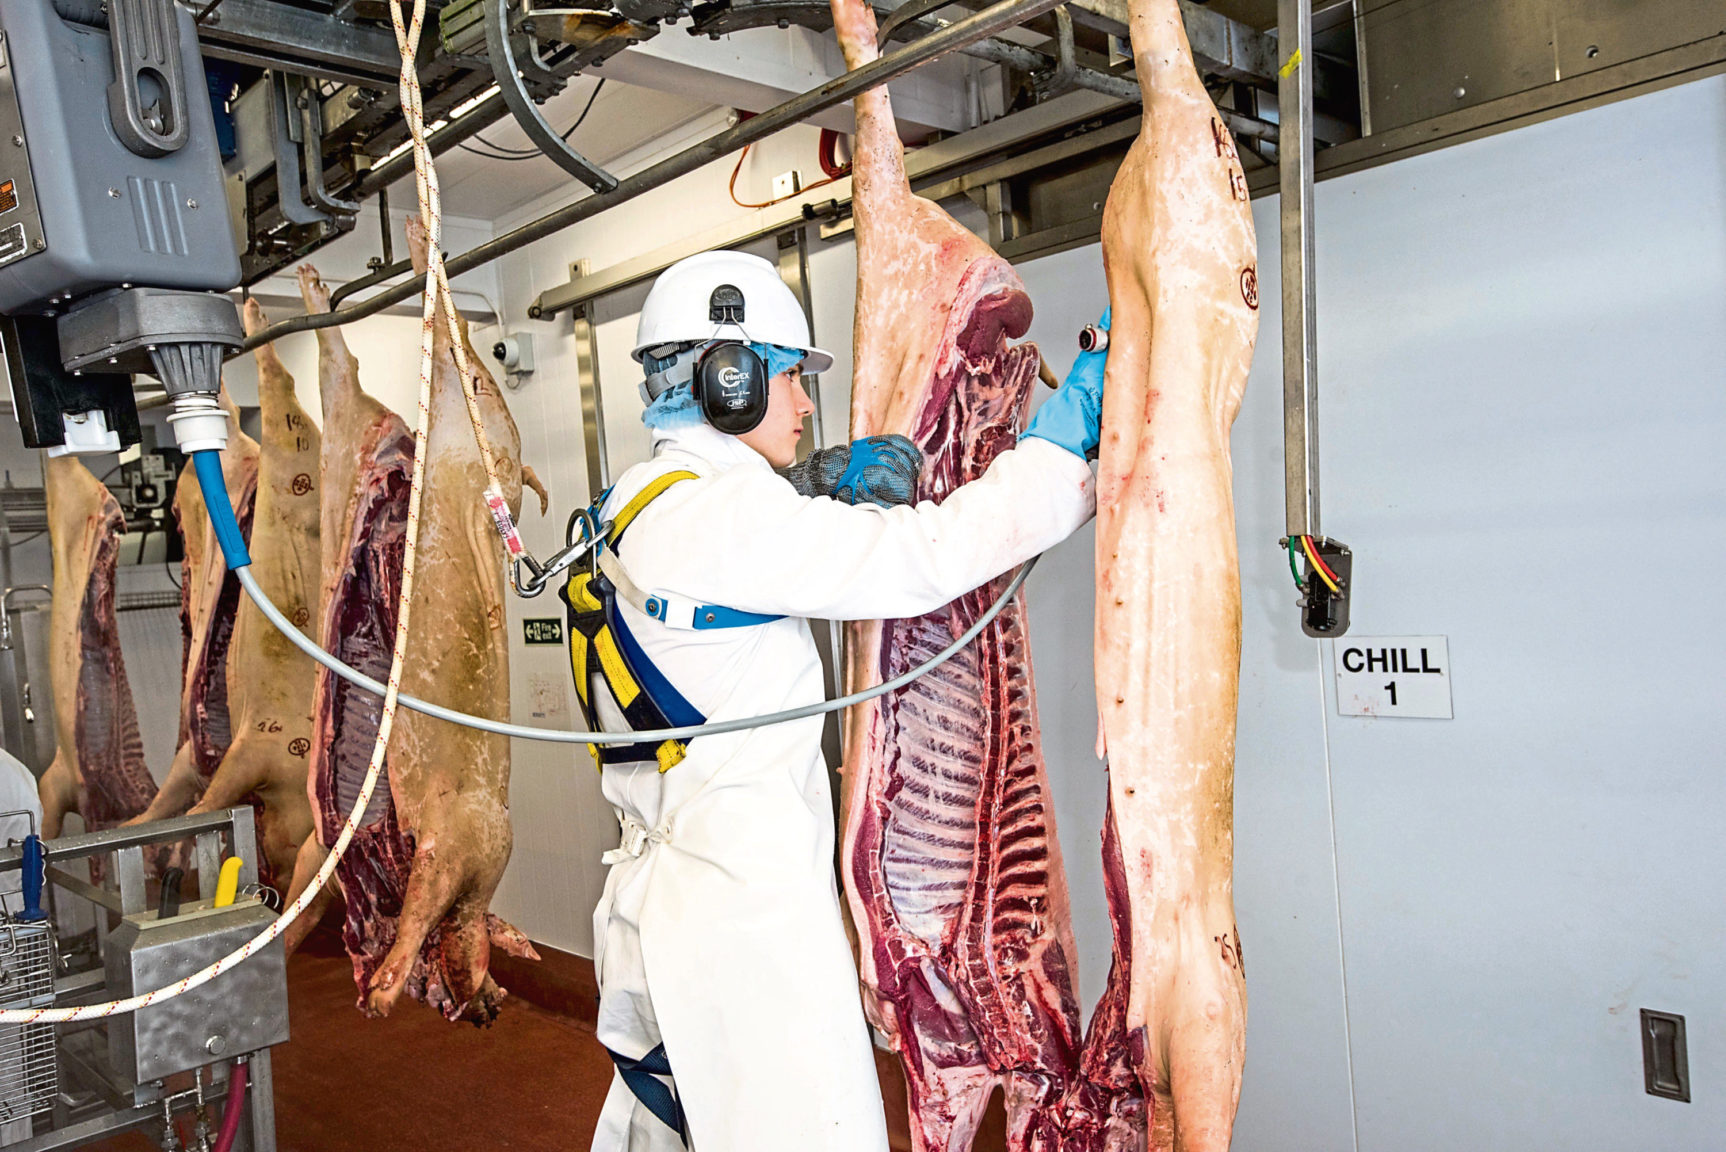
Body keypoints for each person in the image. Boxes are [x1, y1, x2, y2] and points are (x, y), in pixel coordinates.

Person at [569, 250, 1109, 1152]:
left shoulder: (630, 501)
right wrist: (1059, 446)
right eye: (789, 378)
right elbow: (930, 556)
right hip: (744, 934)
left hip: (659, 914)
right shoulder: (727, 521)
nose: (806, 402)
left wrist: (811, 482)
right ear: (727, 381)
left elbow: (716, 560)